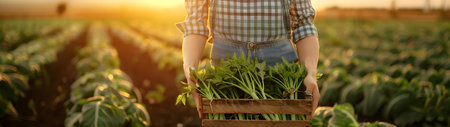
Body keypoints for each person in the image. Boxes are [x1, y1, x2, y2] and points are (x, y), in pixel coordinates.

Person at [177, 0, 320, 118]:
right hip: (226, 86)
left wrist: (310, 73)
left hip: (282, 87)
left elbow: (303, 24)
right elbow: (195, 23)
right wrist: (190, 67)